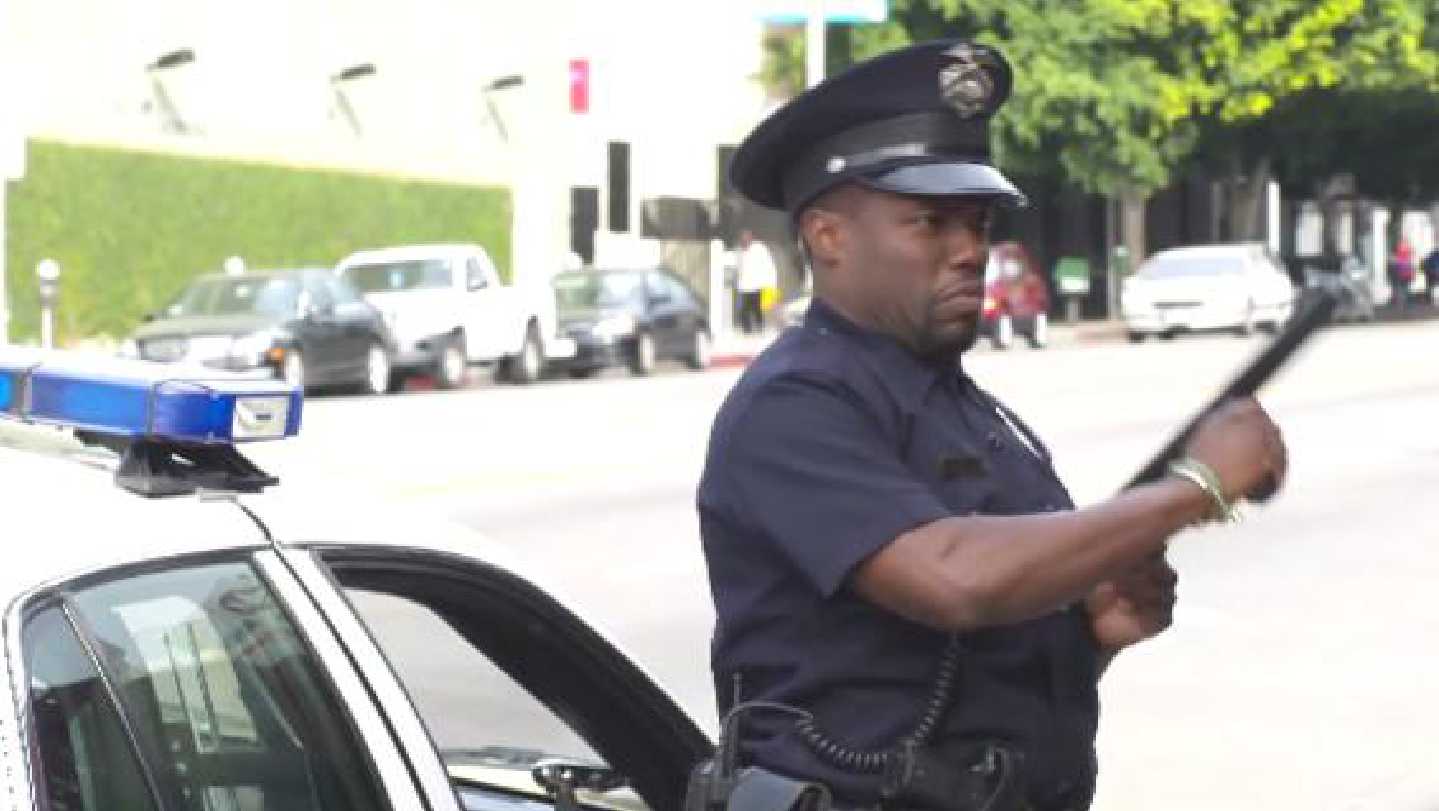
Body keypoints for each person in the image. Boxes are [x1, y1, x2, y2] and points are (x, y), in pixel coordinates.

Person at [696, 39, 1287, 811]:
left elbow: (951, 677)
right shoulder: (793, 404)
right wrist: (1194, 486)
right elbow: (951, 579)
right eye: (930, 223)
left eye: (976, 223)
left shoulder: (966, 409)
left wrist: (1087, 634)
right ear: (827, 236)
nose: (969, 251)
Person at [736, 229, 778, 334]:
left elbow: (768, 265)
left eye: (747, 236)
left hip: (756, 285)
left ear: (751, 237)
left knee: (756, 309)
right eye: (742, 237)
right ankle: (747, 331)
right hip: (743, 286)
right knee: (743, 310)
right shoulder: (739, 250)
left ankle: (760, 328)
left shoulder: (760, 249)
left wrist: (769, 282)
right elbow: (737, 265)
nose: (744, 239)